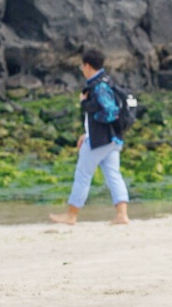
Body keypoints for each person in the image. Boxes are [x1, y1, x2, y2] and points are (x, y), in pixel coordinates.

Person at [48, 48, 130, 227]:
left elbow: (109, 112)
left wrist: (85, 104)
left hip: (100, 141)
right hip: (113, 139)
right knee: (113, 175)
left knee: (82, 175)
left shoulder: (98, 86)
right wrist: (87, 132)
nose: (81, 69)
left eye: (82, 66)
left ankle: (71, 215)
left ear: (87, 66)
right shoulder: (107, 81)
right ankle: (122, 215)